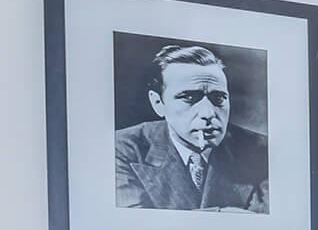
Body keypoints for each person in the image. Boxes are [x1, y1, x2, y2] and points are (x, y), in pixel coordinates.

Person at [113, 44, 269, 211]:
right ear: (158, 103)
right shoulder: (122, 148)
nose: (208, 113)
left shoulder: (262, 150)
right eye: (188, 97)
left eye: (219, 98)